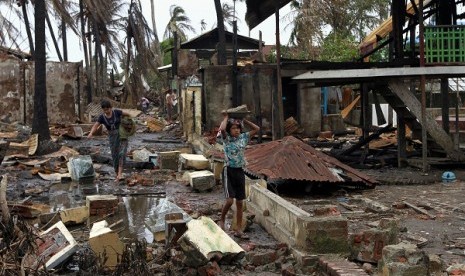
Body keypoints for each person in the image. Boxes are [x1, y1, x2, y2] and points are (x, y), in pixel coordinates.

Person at [217, 112, 260, 239]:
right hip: (228, 170)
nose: (236, 130)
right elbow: (222, 129)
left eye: (238, 128)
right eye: (233, 128)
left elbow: (256, 129)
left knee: (240, 202)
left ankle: (239, 229)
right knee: (230, 200)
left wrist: (244, 120)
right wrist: (226, 117)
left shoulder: (243, 138)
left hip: (239, 171)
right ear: (230, 130)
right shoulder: (227, 139)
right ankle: (222, 219)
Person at [87, 99, 131, 183]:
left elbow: (128, 114)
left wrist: (129, 123)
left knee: (122, 153)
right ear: (103, 109)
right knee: (115, 155)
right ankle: (116, 173)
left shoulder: (117, 112)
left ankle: (120, 174)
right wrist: (91, 133)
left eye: (108, 109)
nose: (106, 111)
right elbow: (95, 125)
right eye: (104, 109)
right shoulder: (102, 117)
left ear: (111, 108)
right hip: (112, 137)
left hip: (122, 135)